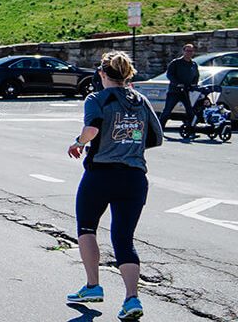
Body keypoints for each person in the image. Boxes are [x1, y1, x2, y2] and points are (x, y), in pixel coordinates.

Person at [66, 51, 163, 320]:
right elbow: (156, 137)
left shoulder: (96, 98)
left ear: (102, 74)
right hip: (134, 178)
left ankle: (92, 286)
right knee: (123, 238)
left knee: (86, 228)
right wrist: (129, 142)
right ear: (127, 75)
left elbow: (93, 128)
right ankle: (132, 299)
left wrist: (78, 142)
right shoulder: (141, 101)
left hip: (101, 175)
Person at [159, 44, 199, 129]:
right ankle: (159, 129)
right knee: (167, 111)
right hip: (174, 91)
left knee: (190, 111)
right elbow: (169, 74)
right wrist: (177, 83)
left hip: (186, 91)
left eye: (191, 51)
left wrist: (194, 84)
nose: (189, 53)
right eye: (187, 51)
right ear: (183, 51)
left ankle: (191, 129)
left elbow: (196, 76)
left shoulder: (194, 64)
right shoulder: (176, 62)